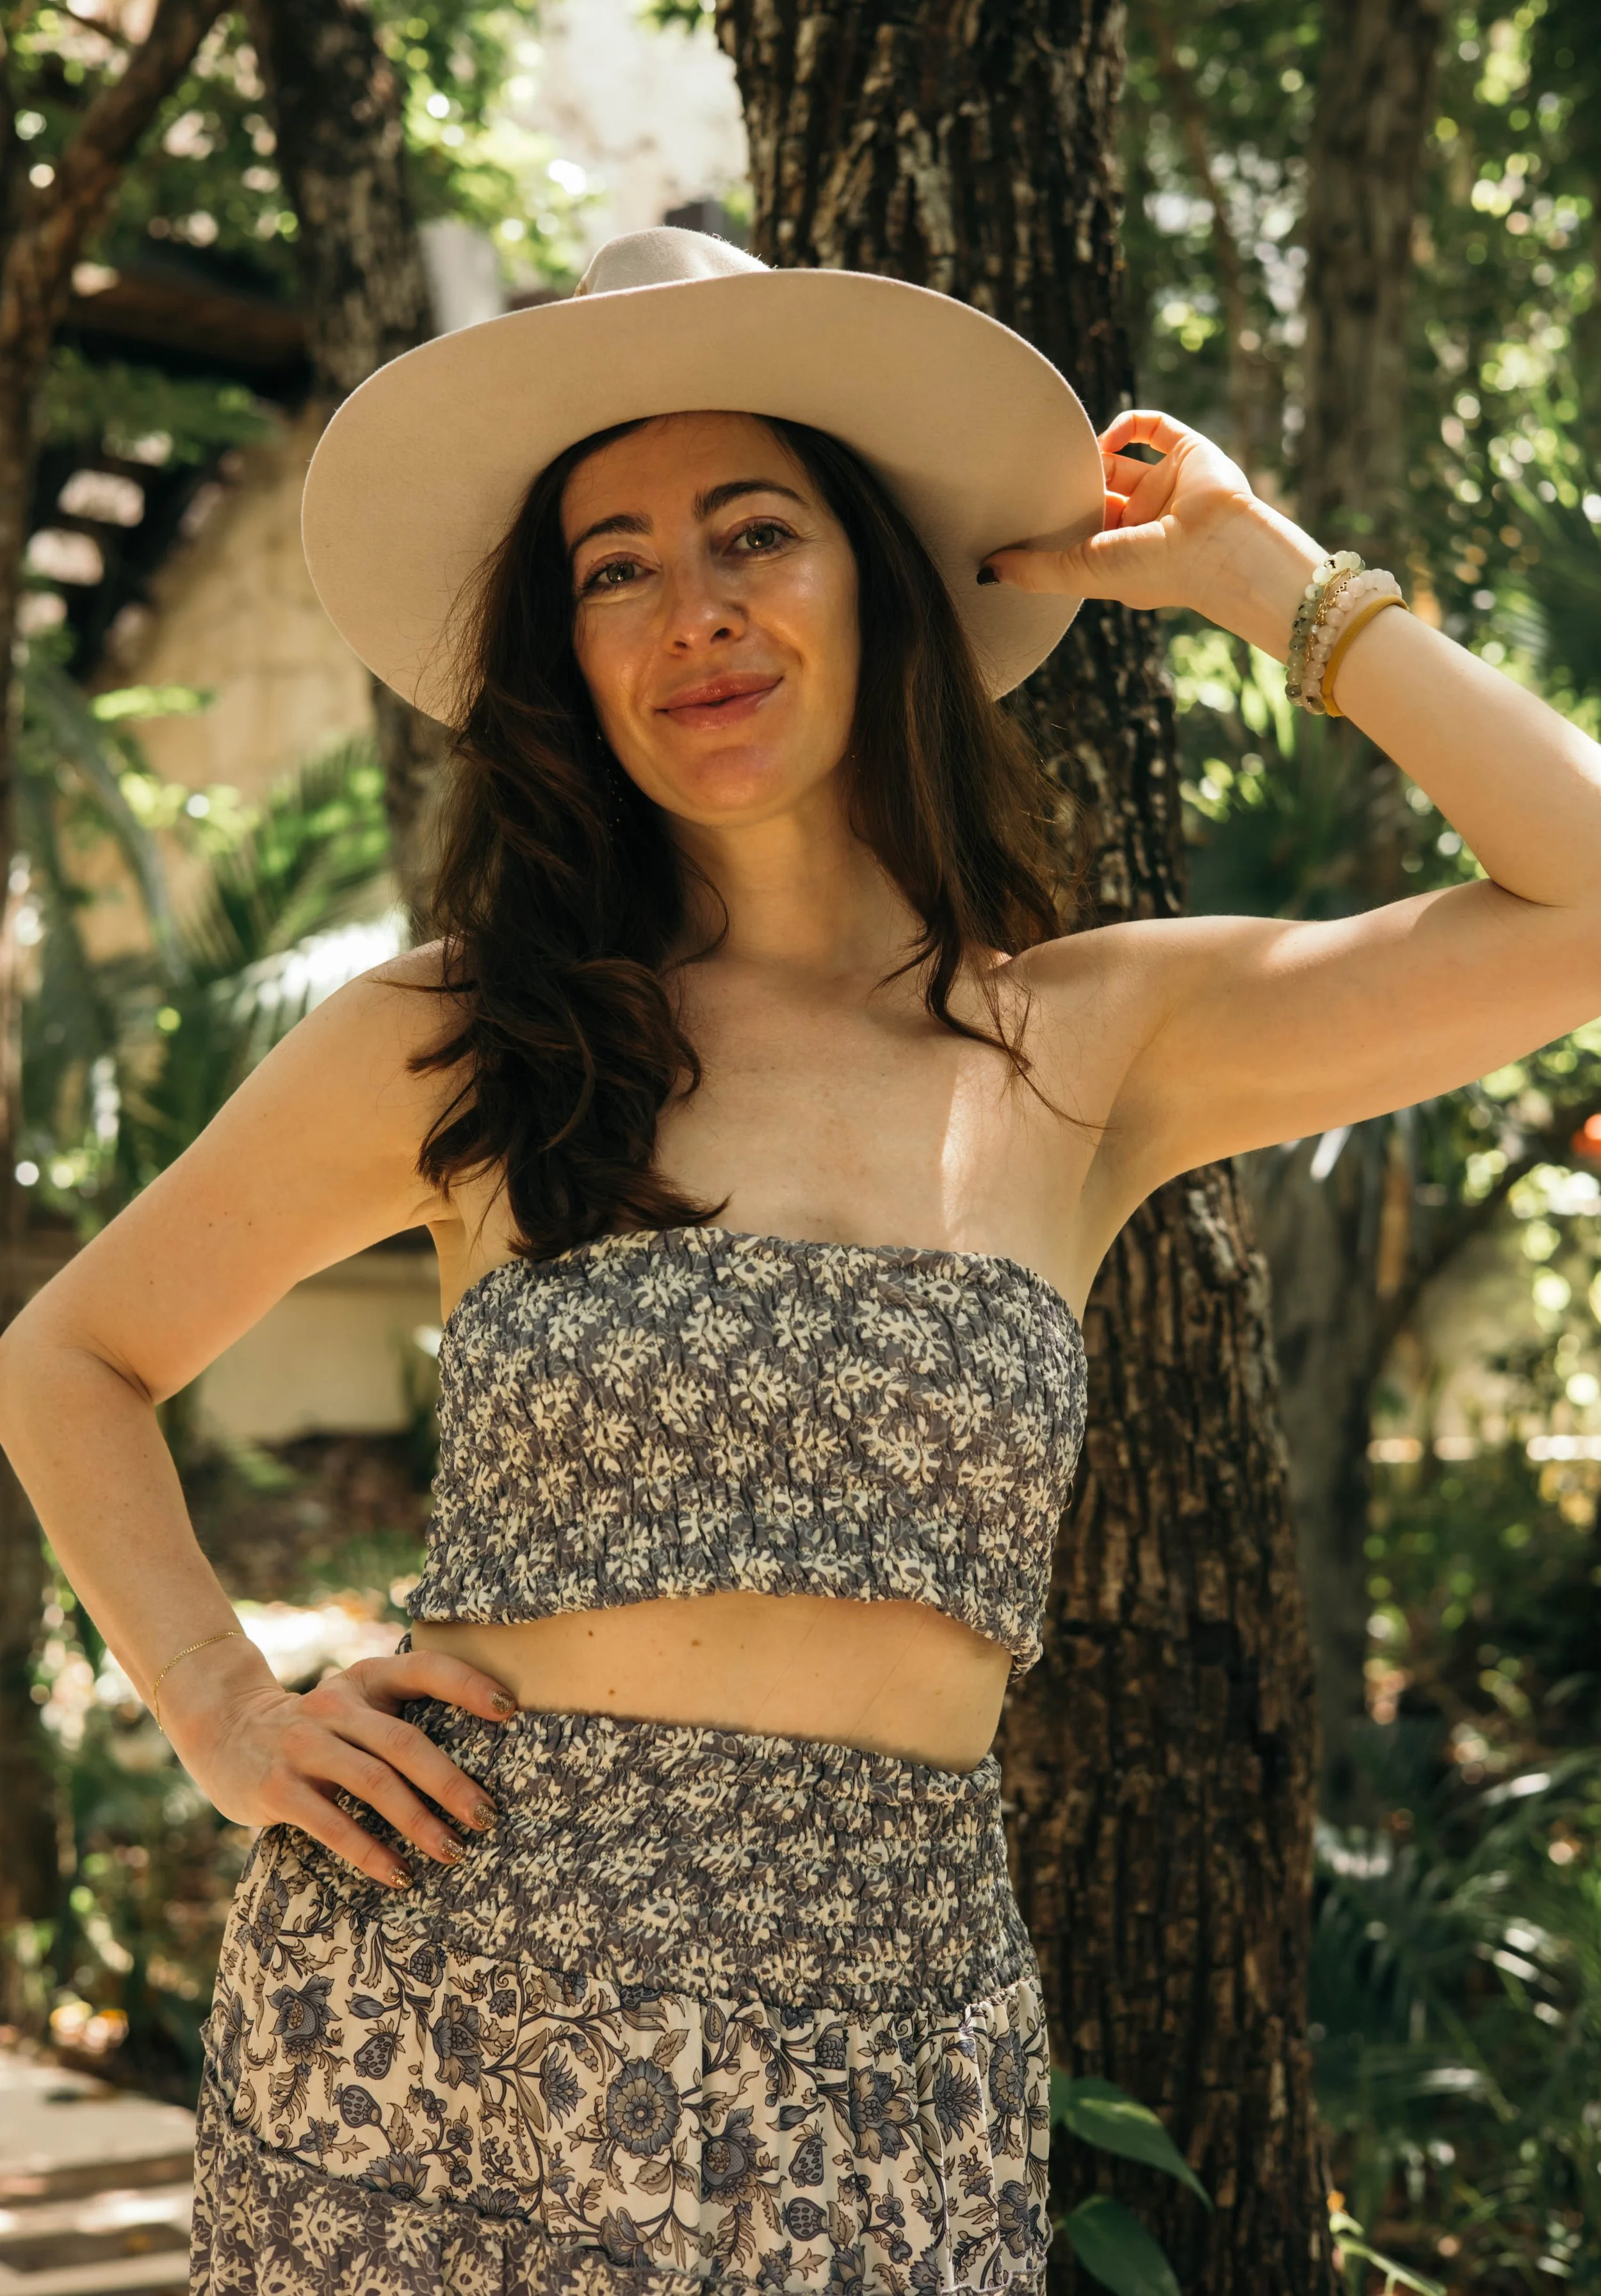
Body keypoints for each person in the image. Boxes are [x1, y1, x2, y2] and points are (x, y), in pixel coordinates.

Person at [2, 224, 1598, 2296]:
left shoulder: (1086, 1040)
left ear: (875, 582)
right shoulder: (469, 1030)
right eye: (615, 567)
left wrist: (1255, 574)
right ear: (565, 658)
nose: (697, 612)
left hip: (887, 2048)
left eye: (754, 532)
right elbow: (70, 1352)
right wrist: (226, 1710)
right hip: (452, 2013)